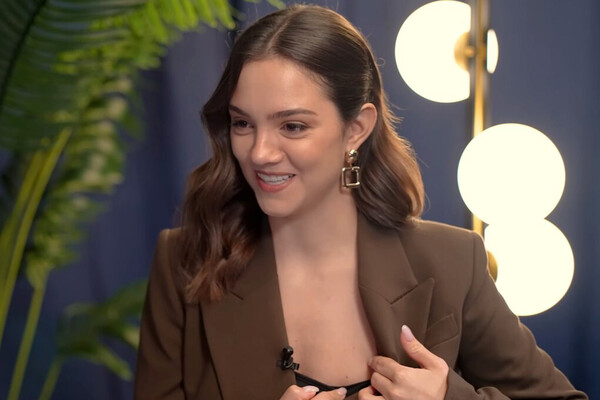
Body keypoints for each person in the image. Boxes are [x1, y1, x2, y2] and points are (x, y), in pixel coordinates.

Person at [134, 4, 588, 400]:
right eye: (242, 123)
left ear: (357, 128)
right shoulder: (184, 261)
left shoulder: (453, 260)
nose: (260, 152)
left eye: (292, 126)